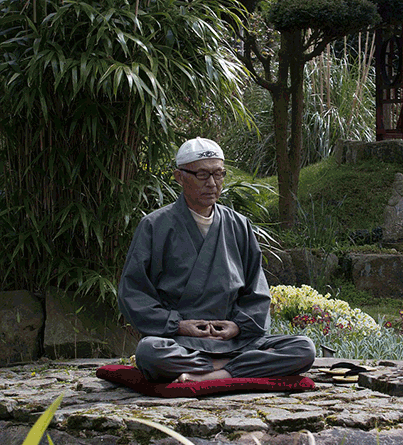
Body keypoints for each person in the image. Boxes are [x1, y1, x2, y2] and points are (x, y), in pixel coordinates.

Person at [118, 137, 316, 382]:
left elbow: (256, 290)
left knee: (304, 348)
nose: (212, 183)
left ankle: (214, 370)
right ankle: (232, 368)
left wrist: (238, 326)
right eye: (202, 175)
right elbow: (134, 293)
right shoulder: (155, 226)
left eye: (218, 174)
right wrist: (178, 325)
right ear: (179, 177)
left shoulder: (239, 225)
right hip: (181, 341)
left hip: (233, 341)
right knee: (149, 353)